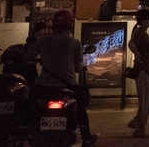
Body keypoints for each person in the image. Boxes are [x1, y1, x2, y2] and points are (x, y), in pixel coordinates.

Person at [24, 9, 97, 147]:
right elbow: (77, 67)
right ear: (70, 26)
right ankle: (86, 137)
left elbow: (27, 56)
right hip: (68, 85)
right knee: (81, 106)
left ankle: (27, 130)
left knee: (30, 103)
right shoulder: (75, 43)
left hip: (45, 84)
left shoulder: (42, 41)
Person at [127, 8, 149, 136]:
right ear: (144, 20)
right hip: (142, 70)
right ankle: (140, 129)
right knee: (145, 101)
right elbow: (131, 43)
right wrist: (138, 55)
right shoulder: (139, 32)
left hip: (148, 70)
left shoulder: (144, 32)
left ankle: (137, 122)